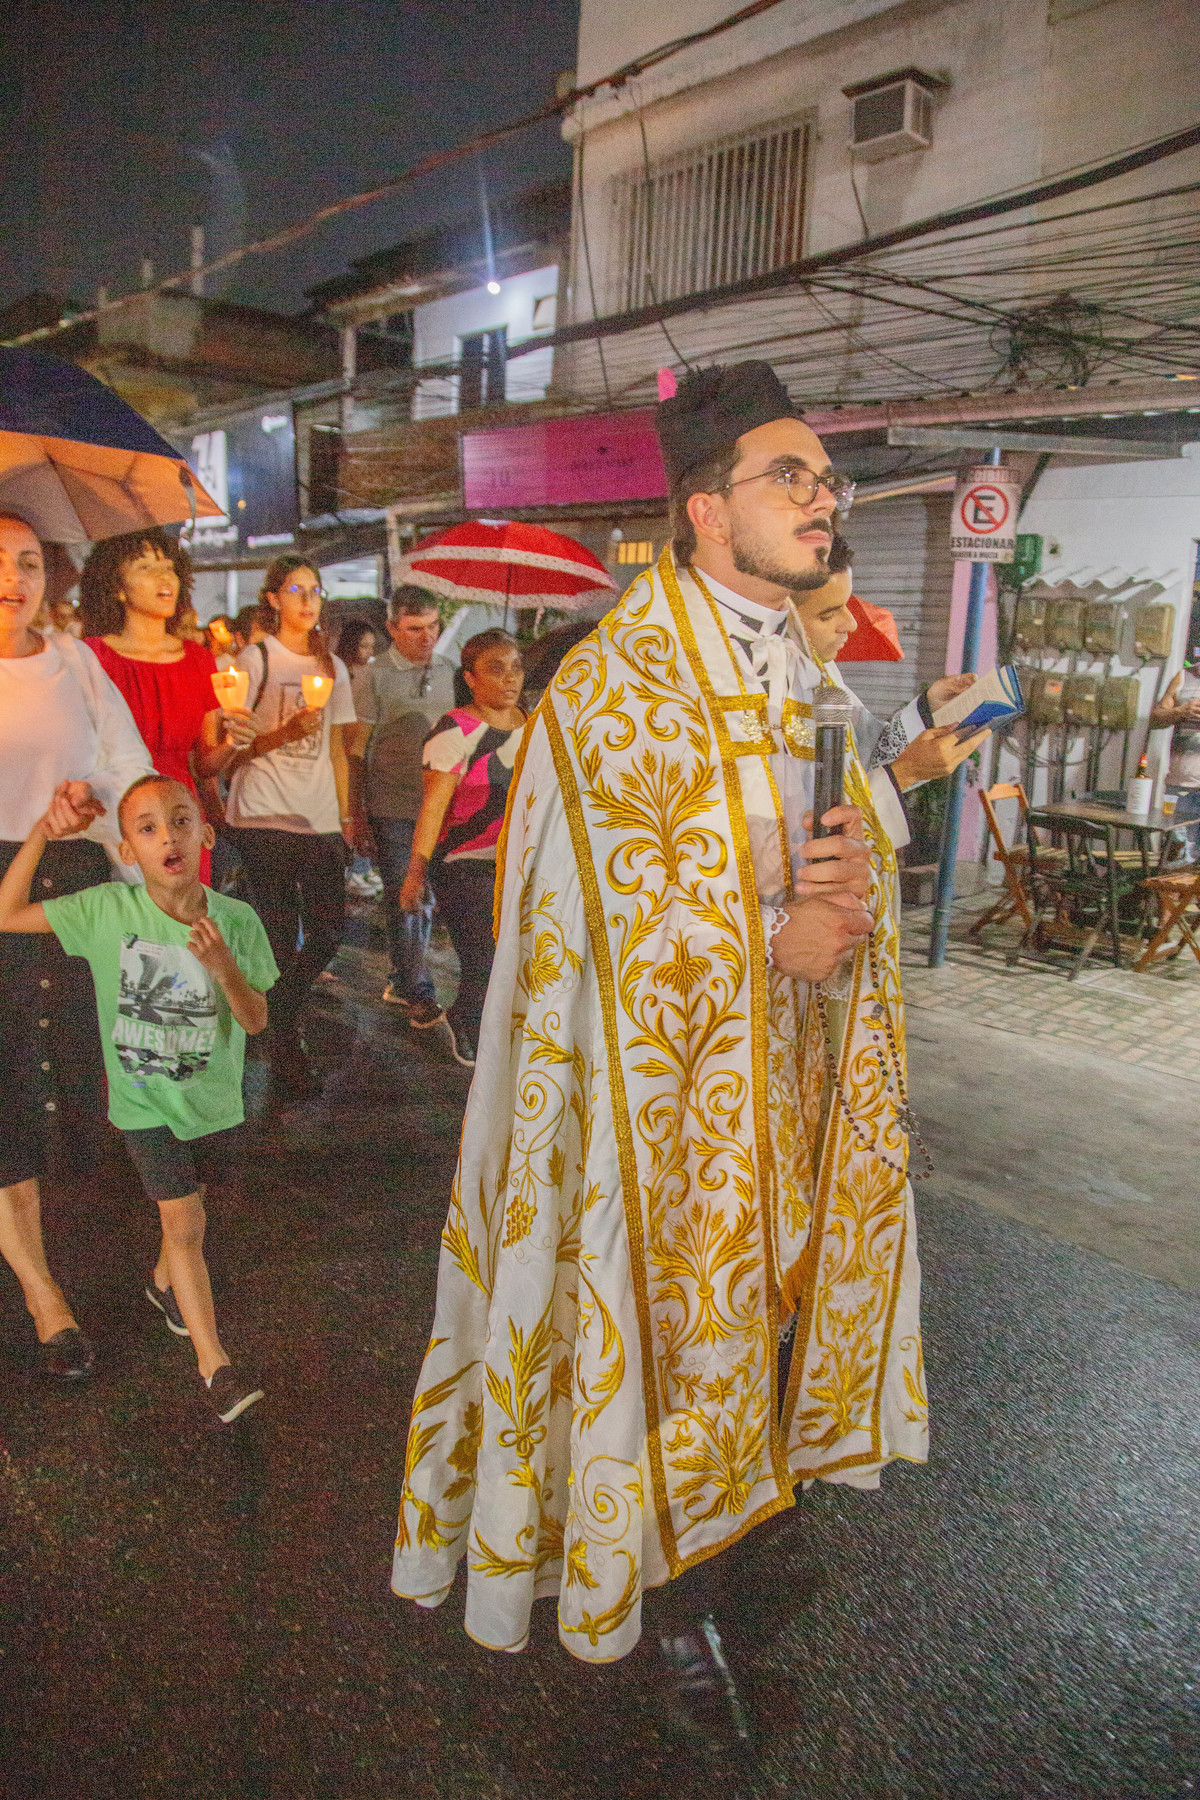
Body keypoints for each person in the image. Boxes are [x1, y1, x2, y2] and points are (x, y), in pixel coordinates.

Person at [392, 361, 922, 1746]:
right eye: (789, 476)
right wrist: (771, 932)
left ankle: (742, 1530)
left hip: (788, 1083)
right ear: (706, 508)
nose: (821, 499)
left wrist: (851, 887)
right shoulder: (615, 683)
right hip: (648, 1105)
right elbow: (578, 917)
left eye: (826, 480)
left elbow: (845, 848)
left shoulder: (805, 668)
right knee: (667, 1345)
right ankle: (669, 1604)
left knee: (769, 1328)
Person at [0, 774, 277, 1423]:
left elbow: (257, 1018)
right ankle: (215, 1366)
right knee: (184, 1225)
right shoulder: (106, 910)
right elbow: (7, 914)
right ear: (127, 850)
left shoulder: (236, 921)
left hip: (212, 1106)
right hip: (144, 1108)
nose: (167, 838)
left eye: (180, 821)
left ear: (206, 834)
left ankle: (162, 1286)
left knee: (194, 1214)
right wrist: (41, 831)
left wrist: (224, 969)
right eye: (147, 829)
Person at [0, 512, 153, 1382]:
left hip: (75, 887)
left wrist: (106, 819)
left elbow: (126, 768)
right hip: (2, 886)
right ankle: (43, 1295)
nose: (13, 578)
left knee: (88, 1076)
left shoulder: (77, 664)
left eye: (28, 561)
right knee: (10, 1086)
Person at [222, 555, 356, 1104]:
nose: (307, 600)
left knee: (327, 932)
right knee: (277, 938)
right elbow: (233, 753)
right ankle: (286, 1051)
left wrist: (346, 818)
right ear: (273, 599)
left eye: (315, 590)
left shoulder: (332, 666)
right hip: (263, 814)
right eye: (296, 590)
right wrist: (285, 732)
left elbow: (338, 750)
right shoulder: (254, 659)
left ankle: (275, 1012)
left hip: (319, 818)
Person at [80, 530, 257, 885]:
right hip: (112, 816)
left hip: (180, 816)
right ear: (118, 587)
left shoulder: (198, 659)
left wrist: (233, 743)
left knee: (185, 914)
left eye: (169, 568)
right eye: (146, 568)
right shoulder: (91, 657)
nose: (164, 577)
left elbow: (203, 764)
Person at [789, 534, 988, 839]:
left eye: (848, 605)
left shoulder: (821, 669)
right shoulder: (755, 685)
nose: (851, 624)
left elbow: (867, 752)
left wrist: (930, 708)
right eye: (828, 614)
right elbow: (793, 830)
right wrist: (905, 774)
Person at [399, 630, 526, 1068]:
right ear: (470, 678)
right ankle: (466, 1022)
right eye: (496, 669)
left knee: (516, 959)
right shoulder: (454, 731)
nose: (510, 678)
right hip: (463, 864)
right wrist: (416, 873)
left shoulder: (533, 726)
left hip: (519, 864)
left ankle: (493, 1030)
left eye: (516, 668)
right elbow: (434, 807)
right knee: (484, 959)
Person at [346, 588, 455, 1020]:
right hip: (391, 803)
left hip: (441, 805)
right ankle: (418, 988)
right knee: (403, 894)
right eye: (414, 629)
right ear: (392, 628)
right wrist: (356, 813)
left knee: (427, 894)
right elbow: (356, 749)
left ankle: (405, 974)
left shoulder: (450, 670)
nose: (427, 636)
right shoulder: (374, 676)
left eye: (432, 626)